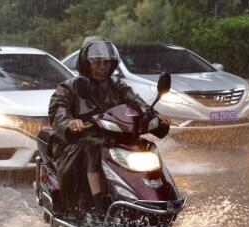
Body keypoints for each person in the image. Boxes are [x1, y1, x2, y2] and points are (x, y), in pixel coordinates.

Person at [48, 36, 169, 217]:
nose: (102, 67)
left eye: (106, 62)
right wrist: (70, 123)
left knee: (145, 146)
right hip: (74, 143)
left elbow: (136, 102)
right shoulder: (70, 87)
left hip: (113, 139)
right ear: (85, 62)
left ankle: (158, 194)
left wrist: (155, 117)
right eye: (97, 62)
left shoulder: (117, 85)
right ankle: (98, 204)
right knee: (94, 145)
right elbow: (57, 111)